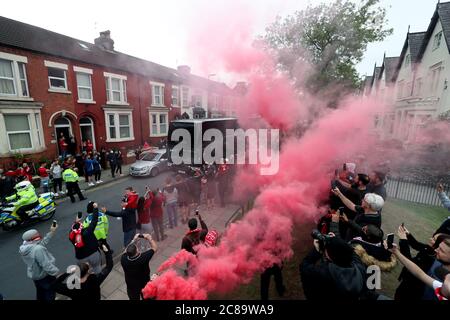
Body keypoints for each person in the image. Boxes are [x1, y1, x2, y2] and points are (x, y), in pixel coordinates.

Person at [299, 233, 367, 300]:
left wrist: (316, 251)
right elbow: (350, 252)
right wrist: (336, 241)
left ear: (329, 256)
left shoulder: (324, 274)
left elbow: (304, 266)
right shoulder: (359, 267)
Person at [395, 222, 450, 300]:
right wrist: (408, 234)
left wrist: (403, 241)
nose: (430, 239)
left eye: (434, 239)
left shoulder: (432, 259)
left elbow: (409, 262)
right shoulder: (429, 249)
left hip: (410, 290)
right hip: (406, 282)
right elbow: (417, 245)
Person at [19, 224, 59, 300]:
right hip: (44, 276)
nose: (39, 235)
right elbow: (46, 265)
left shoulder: (25, 247)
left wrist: (52, 231)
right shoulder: (38, 249)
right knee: (50, 292)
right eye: (37, 234)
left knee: (40, 292)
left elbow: (42, 243)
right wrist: (56, 273)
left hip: (35, 275)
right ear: (32, 238)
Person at [121, 233, 158, 300]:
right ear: (137, 250)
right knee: (147, 297)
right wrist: (149, 238)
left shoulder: (123, 259)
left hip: (131, 286)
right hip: (144, 285)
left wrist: (133, 240)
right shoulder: (143, 257)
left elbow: (125, 251)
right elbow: (154, 248)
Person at [69, 203, 102, 274]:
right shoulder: (87, 231)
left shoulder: (71, 236)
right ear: (81, 226)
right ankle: (98, 279)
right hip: (93, 254)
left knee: (84, 272)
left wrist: (76, 222)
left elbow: (73, 230)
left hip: (81, 258)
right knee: (97, 268)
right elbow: (94, 221)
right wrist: (95, 208)